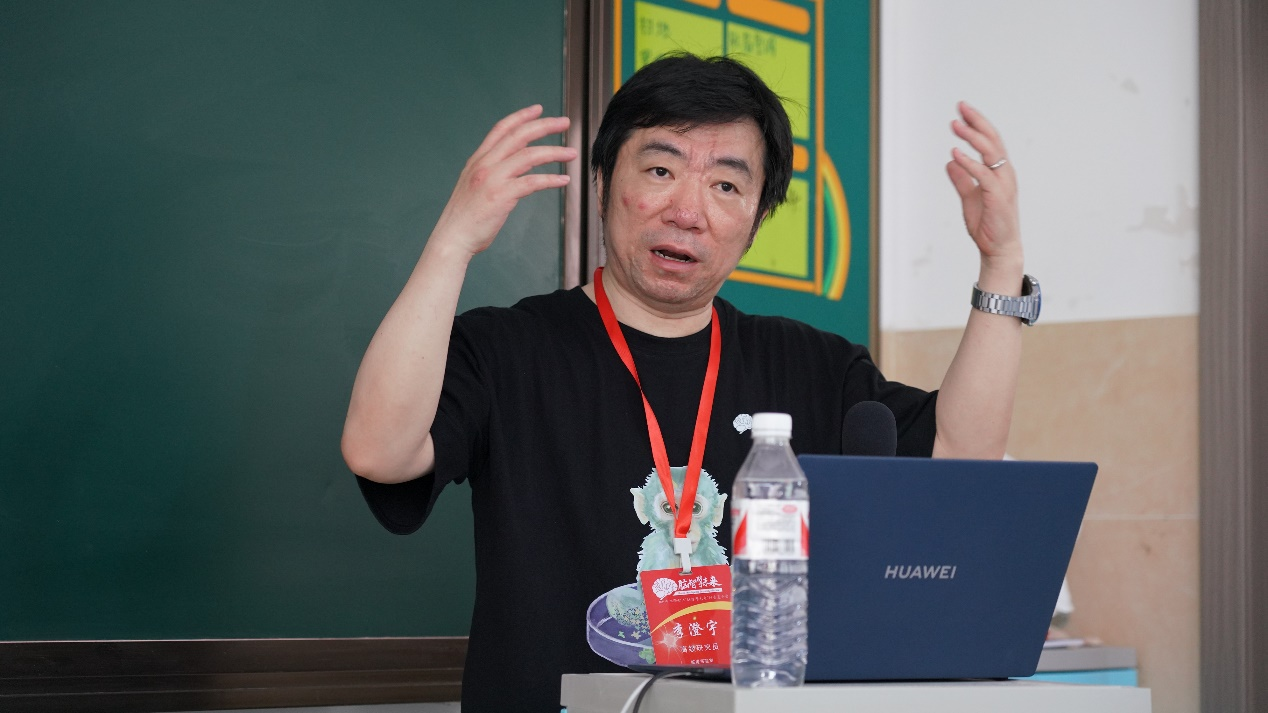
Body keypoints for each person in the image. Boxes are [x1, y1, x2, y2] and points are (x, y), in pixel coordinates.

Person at [342, 54, 1028, 713]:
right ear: (603, 182)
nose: (687, 210)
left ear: (756, 220)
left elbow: (959, 458)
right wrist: (455, 240)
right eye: (661, 169)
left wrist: (1001, 263)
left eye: (726, 185)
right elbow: (379, 450)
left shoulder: (812, 364)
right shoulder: (507, 349)